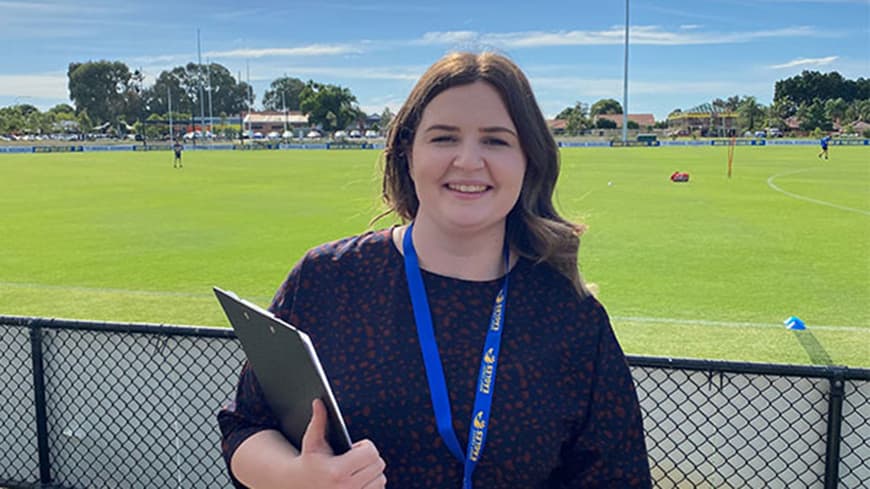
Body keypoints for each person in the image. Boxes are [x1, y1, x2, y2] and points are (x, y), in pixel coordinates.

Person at [218, 51, 651, 489]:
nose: (467, 160)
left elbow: (618, 477)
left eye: (496, 140)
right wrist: (297, 477)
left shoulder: (571, 318)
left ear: (529, 160)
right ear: (408, 152)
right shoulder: (327, 280)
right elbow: (247, 427)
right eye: (444, 138)